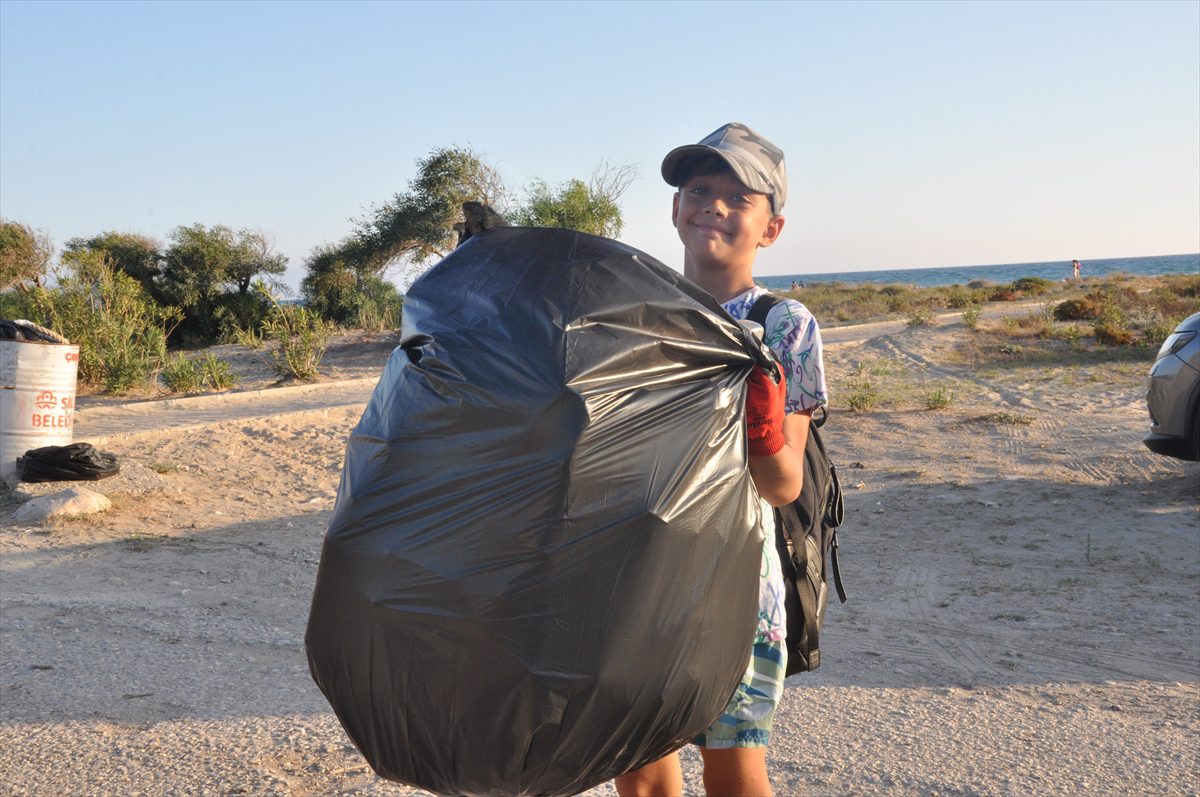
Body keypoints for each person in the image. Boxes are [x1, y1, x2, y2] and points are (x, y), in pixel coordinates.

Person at [614, 123, 828, 796]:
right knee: (640, 768)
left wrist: (762, 429)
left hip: (735, 582)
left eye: (740, 197)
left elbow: (784, 482)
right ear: (676, 209)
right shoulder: (631, 314)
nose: (713, 204)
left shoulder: (784, 324)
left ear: (773, 227)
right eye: (699, 189)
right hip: (633, 572)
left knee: (734, 772)